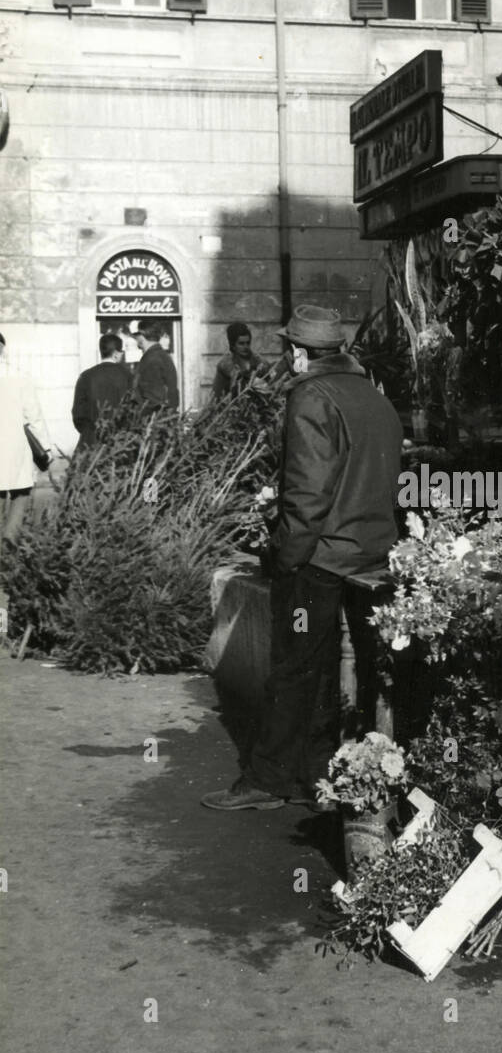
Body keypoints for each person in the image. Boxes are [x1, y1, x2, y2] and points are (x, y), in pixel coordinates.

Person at [202, 303, 403, 811]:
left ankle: (270, 780)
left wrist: (283, 555)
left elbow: (308, 494)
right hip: (372, 554)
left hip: (321, 558)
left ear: (298, 352)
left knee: (296, 669)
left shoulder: (312, 395)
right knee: (354, 673)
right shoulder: (373, 396)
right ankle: (321, 777)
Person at [0, 332, 49, 604]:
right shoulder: (20, 376)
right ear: (3, 350)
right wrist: (46, 450)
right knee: (19, 497)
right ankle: (9, 553)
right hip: (16, 450)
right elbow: (34, 416)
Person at [71, 333, 132, 448]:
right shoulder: (128, 376)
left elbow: (78, 413)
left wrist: (88, 433)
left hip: (91, 441)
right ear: (116, 354)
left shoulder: (86, 376)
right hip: (120, 442)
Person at [134, 321, 179, 411]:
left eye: (136, 335)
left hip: (153, 419)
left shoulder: (151, 360)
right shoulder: (162, 356)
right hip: (163, 417)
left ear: (142, 337)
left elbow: (152, 398)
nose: (135, 339)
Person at [211, 323, 263, 400]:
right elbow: (216, 395)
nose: (245, 347)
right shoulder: (224, 365)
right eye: (241, 344)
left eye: (248, 343)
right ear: (233, 345)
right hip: (232, 407)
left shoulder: (258, 362)